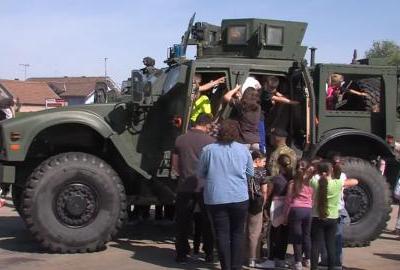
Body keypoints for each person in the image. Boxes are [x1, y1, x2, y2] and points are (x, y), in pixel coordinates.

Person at [198, 119, 253, 270]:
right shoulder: (243, 150)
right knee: (237, 232)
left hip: (216, 197)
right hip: (239, 196)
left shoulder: (208, 150)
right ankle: (236, 266)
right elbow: (250, 173)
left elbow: (201, 173)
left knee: (221, 233)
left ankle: (225, 266)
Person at [172, 113, 216, 263]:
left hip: (184, 186)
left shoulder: (180, 139)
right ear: (207, 125)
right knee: (207, 221)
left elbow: (174, 164)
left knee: (182, 222)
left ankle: (181, 253)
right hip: (204, 187)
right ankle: (209, 252)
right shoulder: (211, 142)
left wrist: (182, 175)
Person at [309, 161, 358, 270]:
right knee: (330, 244)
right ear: (330, 171)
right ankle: (331, 267)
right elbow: (355, 181)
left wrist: (313, 172)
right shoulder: (337, 183)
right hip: (332, 218)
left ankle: (313, 268)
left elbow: (306, 179)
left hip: (317, 217)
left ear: (319, 172)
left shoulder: (314, 182)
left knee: (315, 245)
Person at [257, 154, 294, 269]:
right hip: (288, 207)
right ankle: (281, 259)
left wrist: (265, 205)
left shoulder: (276, 179)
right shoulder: (292, 178)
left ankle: (271, 259)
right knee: (284, 234)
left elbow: (269, 194)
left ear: (278, 164)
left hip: (276, 206)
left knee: (273, 234)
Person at [285, 159, 314, 270]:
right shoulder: (311, 183)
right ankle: (308, 259)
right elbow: (313, 199)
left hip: (295, 210)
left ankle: (298, 263)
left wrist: (285, 215)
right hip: (308, 211)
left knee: (297, 237)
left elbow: (288, 200)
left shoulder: (292, 183)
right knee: (306, 236)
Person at [260, 76, 299, 153]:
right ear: (266, 85)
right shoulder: (264, 93)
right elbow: (279, 99)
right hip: (261, 115)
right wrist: (291, 102)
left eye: (273, 88)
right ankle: (262, 150)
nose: (272, 89)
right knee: (262, 133)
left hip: (266, 115)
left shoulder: (269, 90)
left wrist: (282, 95)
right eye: (271, 88)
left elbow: (280, 96)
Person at [247, 150, 269, 268]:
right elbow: (264, 190)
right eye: (264, 161)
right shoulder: (262, 172)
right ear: (257, 160)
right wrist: (264, 203)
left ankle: (241, 255)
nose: (265, 163)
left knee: (243, 230)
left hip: (244, 202)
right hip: (256, 203)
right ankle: (253, 258)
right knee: (254, 232)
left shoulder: (245, 171)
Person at [224, 85, 261, 151]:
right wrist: (240, 98)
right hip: (255, 141)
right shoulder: (258, 107)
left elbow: (226, 96)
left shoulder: (241, 105)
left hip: (244, 140)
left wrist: (236, 88)